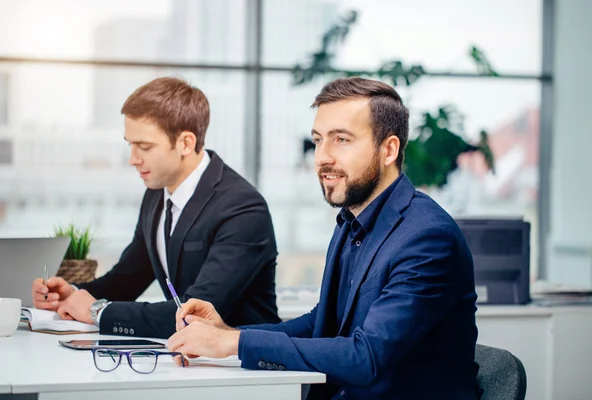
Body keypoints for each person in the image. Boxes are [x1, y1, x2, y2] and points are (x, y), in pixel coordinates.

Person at [167, 77, 479, 399]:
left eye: (341, 139)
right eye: (318, 140)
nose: (321, 158)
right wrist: (228, 333)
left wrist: (232, 344)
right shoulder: (351, 221)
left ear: (389, 149)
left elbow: (366, 357)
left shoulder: (427, 239)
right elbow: (325, 323)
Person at [31, 77, 280, 339]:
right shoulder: (156, 196)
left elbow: (193, 314)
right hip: (187, 359)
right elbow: (127, 278)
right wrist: (72, 294)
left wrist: (97, 312)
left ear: (185, 143)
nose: (133, 159)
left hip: (245, 367)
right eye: (130, 144)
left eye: (145, 147)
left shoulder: (242, 209)